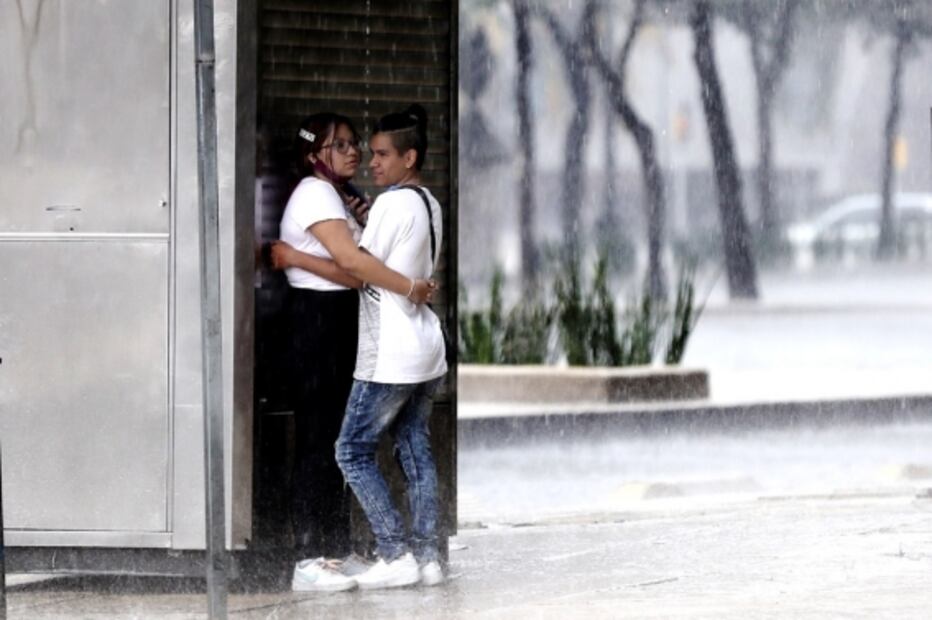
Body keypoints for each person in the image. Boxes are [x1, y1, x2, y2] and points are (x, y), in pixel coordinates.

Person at [270, 112, 434, 593]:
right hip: (318, 321)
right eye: (339, 144)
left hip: (337, 321)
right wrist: (403, 285)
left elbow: (358, 267)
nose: (353, 151)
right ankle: (310, 557)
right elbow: (354, 270)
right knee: (324, 440)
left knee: (337, 442)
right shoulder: (314, 192)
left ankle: (336, 551)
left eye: (355, 143)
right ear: (313, 154)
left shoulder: (338, 197)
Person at [333, 104, 448, 590]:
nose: (371, 162)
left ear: (409, 157)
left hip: (391, 355)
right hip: (427, 349)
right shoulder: (428, 202)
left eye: (382, 155)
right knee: (415, 447)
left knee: (351, 451)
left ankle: (393, 551)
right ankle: (427, 558)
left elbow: (358, 267)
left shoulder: (392, 204)